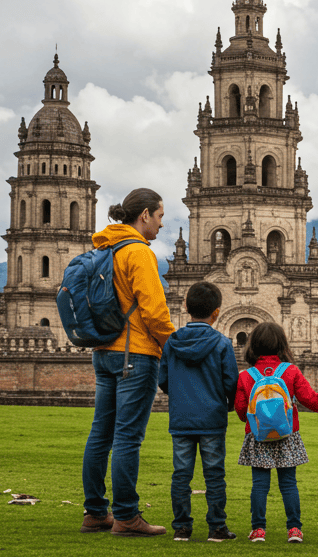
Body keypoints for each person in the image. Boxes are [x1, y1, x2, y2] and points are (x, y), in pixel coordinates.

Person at [80, 188, 176, 537]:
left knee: (100, 434)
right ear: (146, 215)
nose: (162, 224)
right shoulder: (138, 253)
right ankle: (125, 516)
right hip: (134, 355)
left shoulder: (105, 246)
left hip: (103, 352)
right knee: (127, 438)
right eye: (161, 216)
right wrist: (172, 345)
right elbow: (154, 310)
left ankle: (95, 512)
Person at [233, 322, 318, 544]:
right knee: (288, 483)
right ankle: (294, 530)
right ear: (282, 344)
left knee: (259, 485)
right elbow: (309, 398)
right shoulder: (290, 371)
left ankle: (258, 530)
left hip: (258, 436)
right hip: (287, 436)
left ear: (253, 345)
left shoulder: (245, 376)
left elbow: (242, 412)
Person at [159, 281, 238, 542]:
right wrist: (225, 404)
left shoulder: (172, 342)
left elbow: (163, 379)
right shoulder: (222, 343)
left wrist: (181, 396)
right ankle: (217, 527)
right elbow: (231, 382)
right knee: (214, 474)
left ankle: (182, 527)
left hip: (181, 418)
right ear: (216, 312)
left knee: (181, 474)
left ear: (185, 307)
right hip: (212, 419)